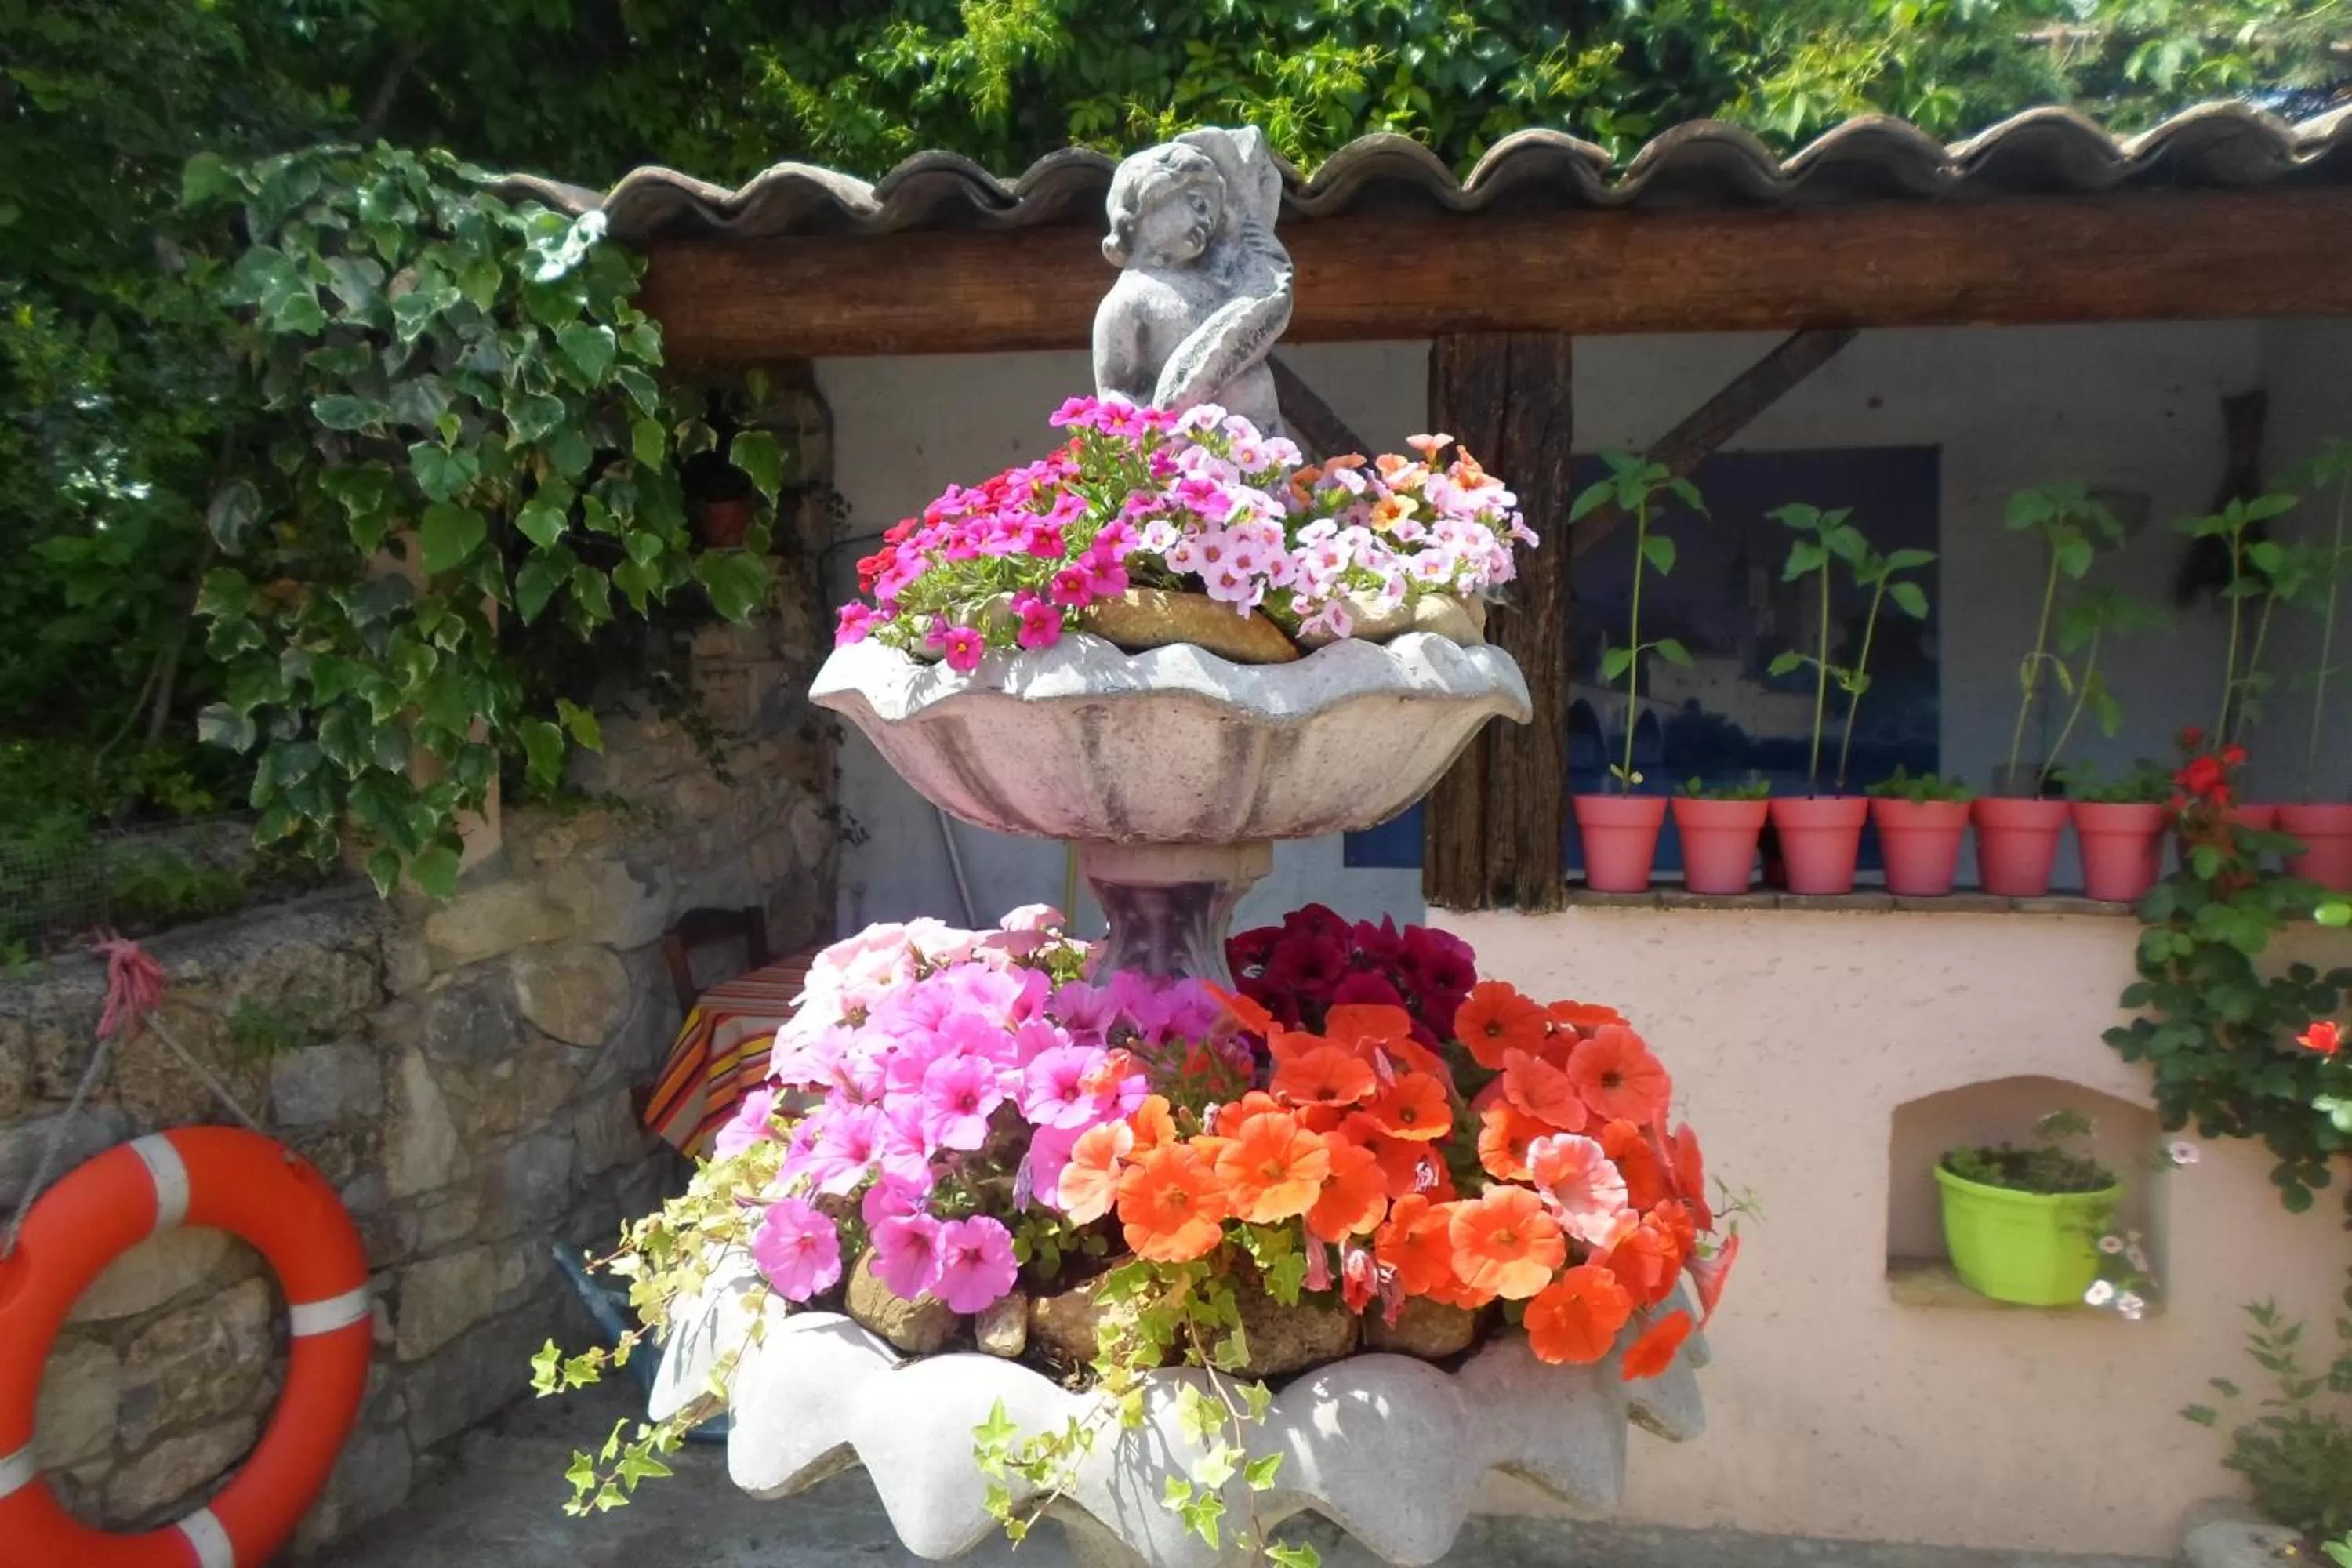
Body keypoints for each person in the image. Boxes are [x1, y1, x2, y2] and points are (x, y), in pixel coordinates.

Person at [1091, 128, 1294, 436]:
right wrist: (1154, 436)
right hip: (1191, 456)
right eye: (1199, 206)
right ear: (1148, 199)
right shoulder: (1128, 299)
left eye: (1211, 216)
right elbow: (1114, 393)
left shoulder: (1215, 281)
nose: (1206, 222)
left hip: (1261, 448)